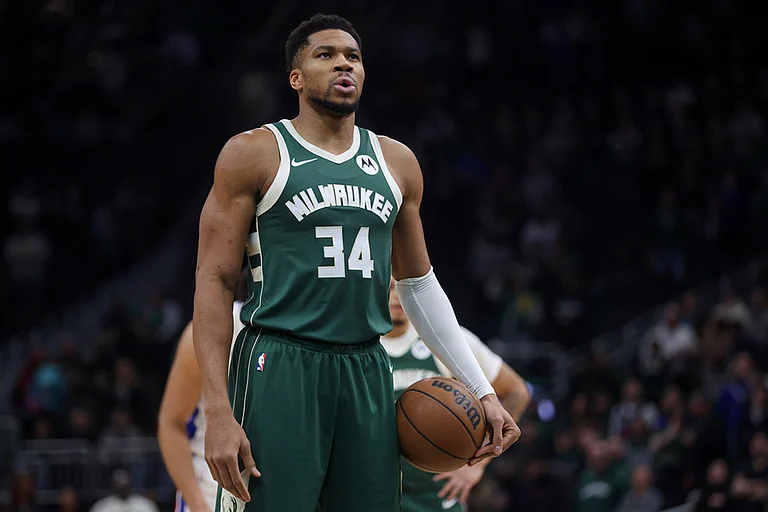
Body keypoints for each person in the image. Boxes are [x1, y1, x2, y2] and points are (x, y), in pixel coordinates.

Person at [193, 13, 520, 512]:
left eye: (353, 57)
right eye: (325, 55)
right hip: (280, 360)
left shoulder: (396, 162)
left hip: (367, 366)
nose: (343, 64)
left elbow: (419, 285)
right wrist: (218, 410)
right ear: (296, 77)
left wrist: (482, 391)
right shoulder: (253, 153)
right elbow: (214, 280)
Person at [381, 279, 531, 511]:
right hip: (376, 490)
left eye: (402, 286)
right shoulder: (358, 346)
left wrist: (477, 465)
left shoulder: (447, 338)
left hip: (437, 494)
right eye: (388, 287)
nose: (396, 295)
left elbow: (517, 391)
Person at [158, 275, 247, 512]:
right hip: (210, 496)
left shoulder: (305, 331)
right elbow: (171, 423)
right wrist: (197, 504)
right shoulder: (208, 328)